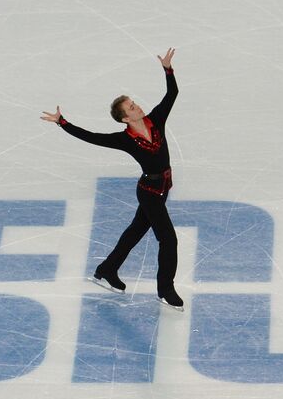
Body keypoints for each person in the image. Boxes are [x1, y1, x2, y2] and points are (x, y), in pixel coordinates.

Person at [42, 48, 184, 309]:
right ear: (125, 118)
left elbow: (172, 94)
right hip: (149, 191)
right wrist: (63, 123)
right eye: (131, 107)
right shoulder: (124, 139)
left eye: (134, 103)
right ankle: (165, 289)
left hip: (163, 188)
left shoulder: (156, 120)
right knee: (168, 239)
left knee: (134, 233)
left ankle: (106, 270)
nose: (137, 106)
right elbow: (91, 136)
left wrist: (167, 69)